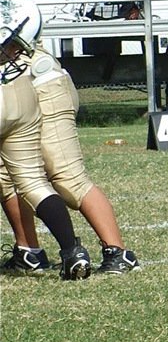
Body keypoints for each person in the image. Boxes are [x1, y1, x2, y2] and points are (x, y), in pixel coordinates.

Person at [0, 44, 139, 274]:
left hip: (42, 82)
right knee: (7, 179)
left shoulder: (14, 11)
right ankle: (29, 252)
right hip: (16, 86)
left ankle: (119, 252)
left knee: (67, 176)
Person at [0, 0, 92, 280]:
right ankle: (71, 250)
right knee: (32, 181)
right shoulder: (14, 7)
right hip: (20, 92)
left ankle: (31, 250)